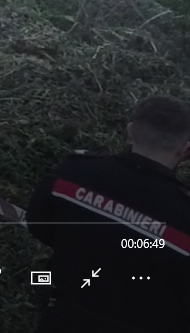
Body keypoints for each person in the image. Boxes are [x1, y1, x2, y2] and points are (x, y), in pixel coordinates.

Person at [23, 94, 190, 333]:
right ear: (185, 150)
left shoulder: (76, 174)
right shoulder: (183, 217)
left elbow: (38, 224)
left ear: (130, 130)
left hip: (65, 318)